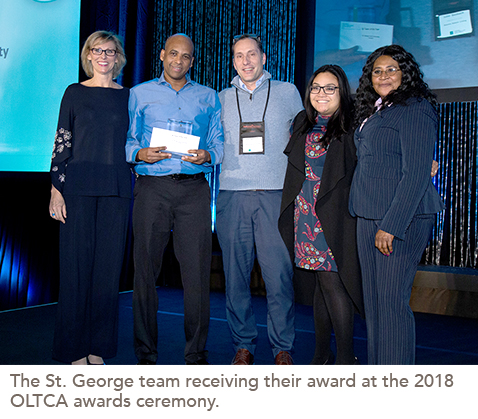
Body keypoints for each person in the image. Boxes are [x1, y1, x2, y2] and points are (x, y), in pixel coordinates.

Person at [125, 33, 224, 365]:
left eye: (186, 56)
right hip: (152, 188)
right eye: (173, 54)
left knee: (196, 274)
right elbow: (127, 140)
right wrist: (139, 152)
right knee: (145, 273)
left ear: (192, 61)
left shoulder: (209, 97)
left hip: (194, 191)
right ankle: (145, 352)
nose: (179, 60)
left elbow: (218, 143)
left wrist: (207, 155)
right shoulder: (139, 94)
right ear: (163, 55)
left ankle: (195, 353)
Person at [349, 44, 445, 364]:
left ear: (406, 74)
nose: (384, 75)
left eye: (392, 69)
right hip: (368, 213)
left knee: (390, 304)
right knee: (375, 306)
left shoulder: (415, 107)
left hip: (400, 218)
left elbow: (417, 173)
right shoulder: (376, 109)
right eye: (378, 71)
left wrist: (391, 225)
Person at [217, 34, 303, 365]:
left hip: (275, 196)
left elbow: (306, 138)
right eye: (239, 55)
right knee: (235, 276)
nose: (246, 61)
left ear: (263, 57)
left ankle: (282, 346)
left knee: (279, 277)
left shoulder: (287, 92)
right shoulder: (221, 98)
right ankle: (243, 345)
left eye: (251, 54)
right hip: (232, 196)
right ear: (233, 61)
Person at [49, 31, 131, 365]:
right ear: (88, 55)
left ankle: (99, 347)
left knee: (108, 273)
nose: (103, 56)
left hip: (116, 190)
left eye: (110, 51)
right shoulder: (74, 93)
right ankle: (73, 349)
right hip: (78, 189)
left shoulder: (128, 96)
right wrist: (56, 189)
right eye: (97, 50)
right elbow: (62, 141)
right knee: (75, 271)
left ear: (118, 57)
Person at [278, 65, 363, 365]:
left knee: (333, 283)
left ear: (342, 91)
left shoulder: (354, 123)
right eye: (316, 87)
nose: (321, 93)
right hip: (305, 217)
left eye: (330, 88)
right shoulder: (303, 122)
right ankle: (321, 354)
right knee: (320, 284)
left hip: (334, 216)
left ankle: (344, 359)